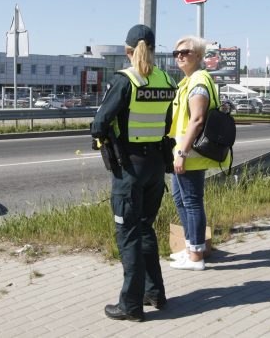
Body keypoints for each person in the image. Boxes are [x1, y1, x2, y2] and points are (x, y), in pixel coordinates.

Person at [91, 24, 176, 322]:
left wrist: (108, 137)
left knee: (127, 235)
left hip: (130, 170)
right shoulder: (167, 80)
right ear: (153, 49)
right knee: (144, 229)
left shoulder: (125, 80)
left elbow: (98, 124)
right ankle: (155, 293)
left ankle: (130, 305)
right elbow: (167, 123)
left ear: (128, 51)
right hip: (155, 167)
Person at [168, 35, 231, 271]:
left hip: (190, 153)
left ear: (199, 55)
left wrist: (182, 154)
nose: (180, 56)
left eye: (185, 52)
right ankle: (191, 247)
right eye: (177, 53)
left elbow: (197, 119)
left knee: (192, 201)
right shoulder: (188, 81)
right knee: (181, 199)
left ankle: (196, 256)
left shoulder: (199, 81)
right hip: (182, 151)